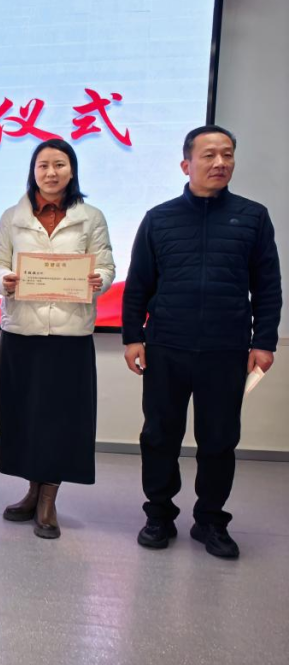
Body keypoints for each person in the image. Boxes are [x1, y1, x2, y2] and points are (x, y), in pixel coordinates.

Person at [123, 125, 281, 559]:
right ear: (186, 164)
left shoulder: (253, 216)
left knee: (219, 439)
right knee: (159, 435)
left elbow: (267, 286)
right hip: (166, 347)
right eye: (209, 155)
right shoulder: (159, 218)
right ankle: (159, 514)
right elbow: (138, 284)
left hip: (226, 349)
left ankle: (210, 520)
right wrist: (133, 337)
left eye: (227, 154)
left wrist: (264, 341)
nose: (220, 163)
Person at [0, 139, 115, 539]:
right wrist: (4, 280)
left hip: (70, 334)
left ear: (72, 170)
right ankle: (31, 490)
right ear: (33, 171)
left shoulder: (91, 217)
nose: (51, 172)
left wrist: (98, 280)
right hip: (23, 330)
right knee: (25, 415)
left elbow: (106, 265)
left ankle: (48, 500)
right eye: (43, 165)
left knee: (61, 419)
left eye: (60, 164)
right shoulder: (13, 216)